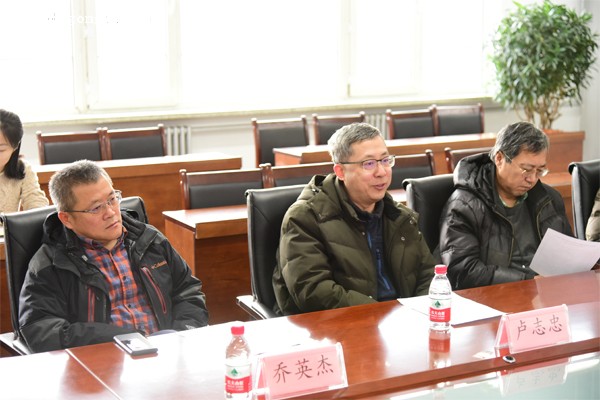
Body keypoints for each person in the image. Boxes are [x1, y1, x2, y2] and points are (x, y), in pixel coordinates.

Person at [19, 160, 209, 352]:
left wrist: (181, 334)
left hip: (167, 350)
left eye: (112, 199)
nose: (110, 213)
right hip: (102, 358)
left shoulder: (150, 240)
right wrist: (121, 339)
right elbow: (42, 329)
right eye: (96, 208)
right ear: (66, 219)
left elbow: (188, 291)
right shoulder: (50, 263)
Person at [272, 122, 435, 315]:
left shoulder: (399, 215)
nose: (381, 172)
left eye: (385, 160)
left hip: (404, 321)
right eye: (369, 164)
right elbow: (313, 291)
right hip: (341, 324)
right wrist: (380, 314)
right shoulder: (305, 218)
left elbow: (428, 275)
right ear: (340, 172)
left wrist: (419, 313)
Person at [439, 122, 572, 290]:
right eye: (526, 169)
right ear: (499, 159)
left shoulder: (549, 198)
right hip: (497, 295)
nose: (532, 179)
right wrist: (528, 281)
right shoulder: (465, 205)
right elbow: (463, 271)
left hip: (548, 292)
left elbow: (568, 251)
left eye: (540, 171)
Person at [0, 109, 49, 216]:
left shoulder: (22, 169)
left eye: (1, 150)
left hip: (7, 227)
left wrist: (36, 212)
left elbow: (36, 201)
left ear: (15, 147)